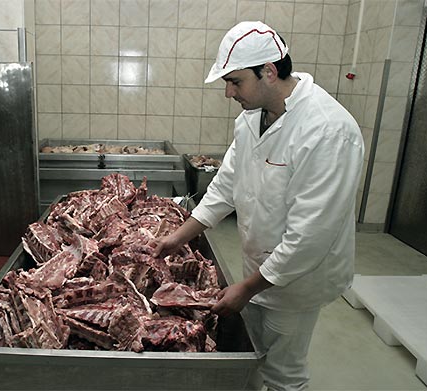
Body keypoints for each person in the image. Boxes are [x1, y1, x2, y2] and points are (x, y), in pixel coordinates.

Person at [153, 21, 364, 391]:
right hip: (258, 267)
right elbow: (225, 186)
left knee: (284, 370)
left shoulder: (328, 131)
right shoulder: (252, 119)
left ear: (268, 71)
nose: (229, 93)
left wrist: (247, 288)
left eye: (235, 82)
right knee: (253, 356)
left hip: (299, 277)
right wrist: (177, 238)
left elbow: (309, 237)